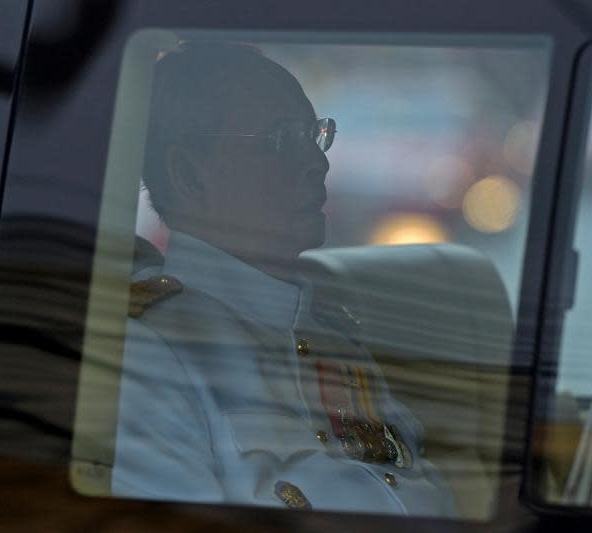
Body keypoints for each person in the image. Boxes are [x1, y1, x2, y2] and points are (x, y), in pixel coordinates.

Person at [112, 41, 456, 517]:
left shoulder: (332, 336)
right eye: (282, 140)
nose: (319, 163)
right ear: (189, 174)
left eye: (315, 136)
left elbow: (426, 491)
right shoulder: (146, 353)